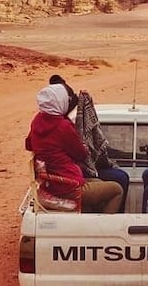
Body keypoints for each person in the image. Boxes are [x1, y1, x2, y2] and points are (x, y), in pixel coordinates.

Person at [25, 83, 123, 213]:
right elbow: (81, 154)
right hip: (68, 186)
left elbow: (29, 144)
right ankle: (105, 229)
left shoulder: (37, 120)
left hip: (52, 183)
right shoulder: (62, 126)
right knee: (117, 190)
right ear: (60, 102)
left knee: (97, 181)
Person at [50, 74, 130, 213]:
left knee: (112, 179)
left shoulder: (42, 122)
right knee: (119, 182)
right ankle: (109, 226)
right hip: (69, 179)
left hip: (62, 177)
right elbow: (81, 153)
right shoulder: (63, 125)